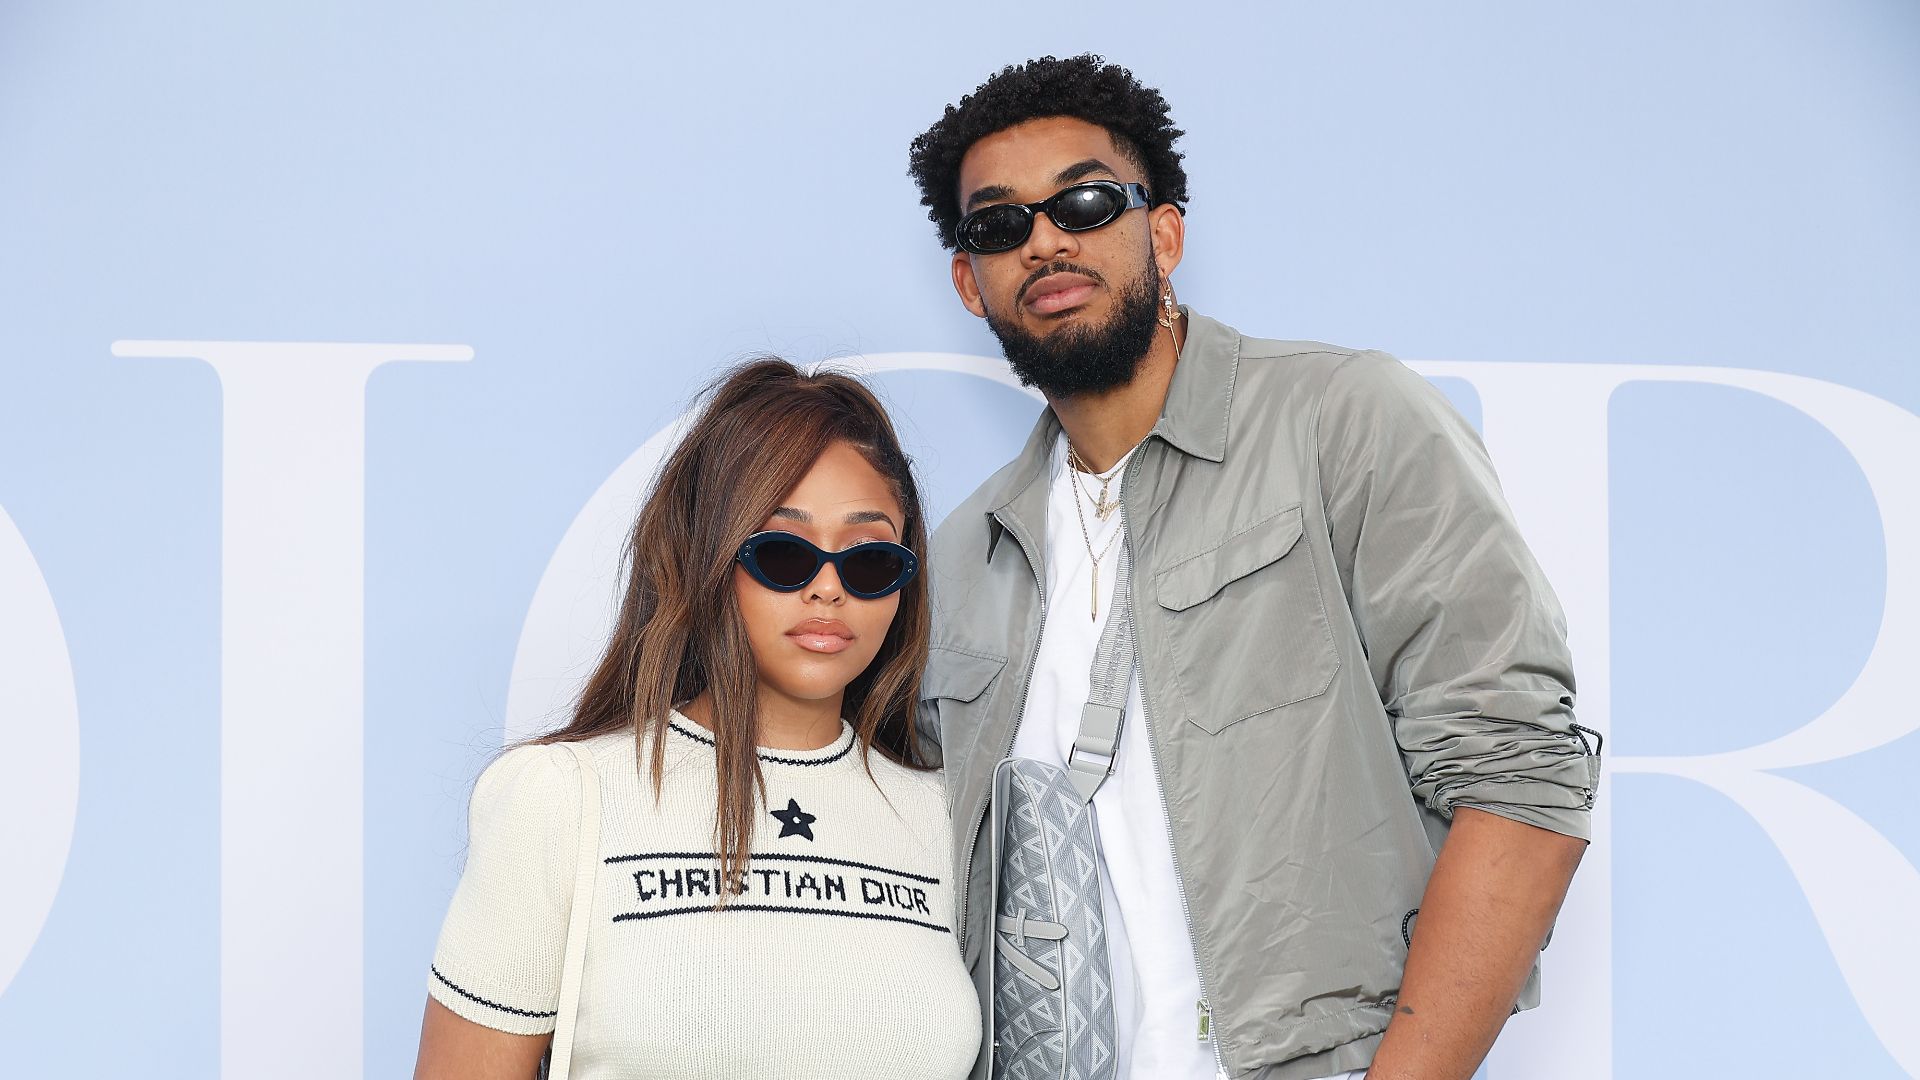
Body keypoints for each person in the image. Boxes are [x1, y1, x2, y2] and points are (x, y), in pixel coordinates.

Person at [907, 56, 1599, 1080]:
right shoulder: (964, 554)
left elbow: (1520, 775)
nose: (1045, 240)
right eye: (999, 225)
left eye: (1086, 203)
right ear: (972, 283)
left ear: (1165, 235)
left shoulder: (1343, 420)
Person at [414, 359, 981, 1079]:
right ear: (704, 557)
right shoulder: (562, 798)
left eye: (869, 561)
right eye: (783, 554)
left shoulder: (947, 815)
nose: (828, 589)